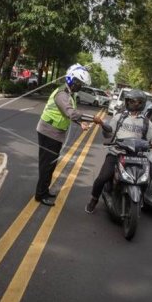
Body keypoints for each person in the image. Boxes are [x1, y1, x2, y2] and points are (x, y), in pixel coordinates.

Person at [35, 64, 103, 206]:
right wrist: (92, 118)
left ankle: (44, 190)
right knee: (46, 165)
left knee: (51, 165)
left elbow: (70, 115)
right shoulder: (62, 94)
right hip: (49, 132)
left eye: (81, 84)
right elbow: (70, 113)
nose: (80, 86)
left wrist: (81, 124)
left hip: (56, 133)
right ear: (71, 79)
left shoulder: (69, 94)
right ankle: (40, 195)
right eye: (78, 83)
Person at [85, 89, 152, 213]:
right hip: (117, 153)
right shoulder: (119, 117)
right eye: (129, 101)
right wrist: (102, 124)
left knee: (151, 169)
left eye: (134, 101)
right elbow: (108, 133)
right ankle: (94, 199)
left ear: (141, 103)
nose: (131, 103)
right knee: (102, 178)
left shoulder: (146, 122)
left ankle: (140, 196)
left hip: (137, 156)